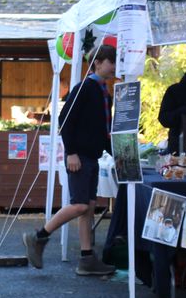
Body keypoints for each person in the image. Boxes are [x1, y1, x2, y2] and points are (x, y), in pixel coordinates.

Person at [23, 45, 117, 276]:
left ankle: (87, 258)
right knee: (80, 205)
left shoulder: (104, 91)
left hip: (92, 157)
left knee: (89, 208)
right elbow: (65, 119)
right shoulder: (84, 88)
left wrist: (115, 152)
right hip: (80, 156)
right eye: (111, 62)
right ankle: (38, 236)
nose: (115, 67)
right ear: (98, 62)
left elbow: (102, 128)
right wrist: (71, 152)